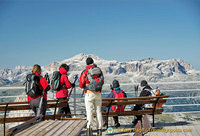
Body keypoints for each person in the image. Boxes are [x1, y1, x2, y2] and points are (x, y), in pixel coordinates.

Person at [79, 57, 104, 136]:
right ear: (93, 62)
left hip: (89, 93)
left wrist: (85, 86)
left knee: (89, 112)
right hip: (98, 93)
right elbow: (102, 81)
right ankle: (99, 130)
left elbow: (81, 84)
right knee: (98, 111)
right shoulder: (99, 70)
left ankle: (89, 130)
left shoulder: (86, 71)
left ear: (86, 63)